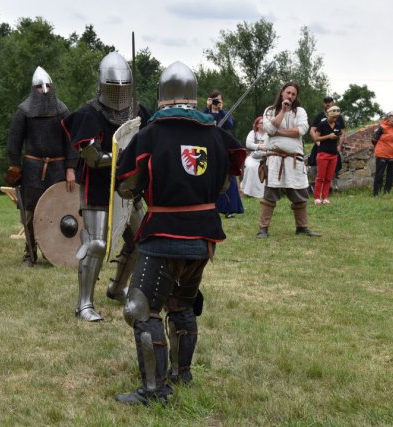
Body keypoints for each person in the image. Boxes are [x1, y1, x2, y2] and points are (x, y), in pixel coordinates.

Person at [114, 61, 246, 405]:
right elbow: (223, 185)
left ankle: (154, 390)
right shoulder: (217, 136)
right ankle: (180, 372)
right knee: (181, 303)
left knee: (140, 309)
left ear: (161, 97)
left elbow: (127, 185)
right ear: (193, 96)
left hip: (165, 235)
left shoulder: (149, 135)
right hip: (204, 237)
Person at [62, 52, 151, 322]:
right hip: (98, 186)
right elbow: (92, 156)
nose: (120, 93)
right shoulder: (90, 114)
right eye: (114, 87)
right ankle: (84, 304)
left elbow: (147, 141)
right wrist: (121, 156)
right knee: (97, 243)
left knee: (141, 238)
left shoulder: (138, 111)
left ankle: (118, 287)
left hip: (128, 186)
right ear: (102, 85)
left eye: (124, 87)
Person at [5, 66, 76, 267]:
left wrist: (70, 168)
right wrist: (14, 167)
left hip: (58, 168)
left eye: (46, 86)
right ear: (33, 88)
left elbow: (71, 141)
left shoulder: (62, 111)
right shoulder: (24, 111)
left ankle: (55, 251)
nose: (43, 90)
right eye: (39, 87)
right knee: (30, 212)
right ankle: (30, 253)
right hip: (32, 169)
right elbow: (14, 141)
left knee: (59, 212)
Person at [257, 82, 320, 239]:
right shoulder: (270, 111)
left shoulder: (300, 111)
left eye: (293, 94)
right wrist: (283, 111)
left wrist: (278, 132)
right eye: (288, 93)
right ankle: (263, 228)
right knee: (270, 194)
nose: (290, 96)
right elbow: (269, 130)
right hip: (275, 160)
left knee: (299, 193)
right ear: (282, 93)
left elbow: (301, 130)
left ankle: (302, 227)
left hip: (293, 160)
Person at [205, 90, 243, 218]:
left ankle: (230, 208)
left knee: (228, 177)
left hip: (223, 148)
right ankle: (210, 206)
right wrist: (207, 108)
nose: (216, 103)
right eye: (214, 100)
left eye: (218, 100)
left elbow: (230, 125)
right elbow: (201, 124)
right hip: (209, 148)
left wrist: (220, 111)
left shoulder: (225, 114)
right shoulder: (205, 114)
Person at [309, 96, 346, 192]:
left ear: (333, 103)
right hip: (320, 147)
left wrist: (339, 145)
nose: (328, 103)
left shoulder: (339, 117)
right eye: (326, 102)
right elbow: (312, 130)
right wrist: (317, 141)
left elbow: (342, 132)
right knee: (315, 168)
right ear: (324, 104)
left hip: (333, 147)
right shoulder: (320, 116)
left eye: (329, 101)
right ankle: (317, 191)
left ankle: (333, 189)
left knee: (334, 169)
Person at [313, 106, 343, 205]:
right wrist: (328, 136)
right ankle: (317, 197)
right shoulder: (322, 124)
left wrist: (338, 143)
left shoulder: (338, 124)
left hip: (334, 154)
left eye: (337, 117)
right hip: (323, 153)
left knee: (329, 177)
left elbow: (339, 136)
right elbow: (316, 138)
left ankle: (325, 197)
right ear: (328, 115)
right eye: (333, 117)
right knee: (320, 177)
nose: (335, 119)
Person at [372, 110, 393, 196]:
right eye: (392, 116)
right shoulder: (382, 127)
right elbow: (374, 139)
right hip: (382, 153)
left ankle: (387, 193)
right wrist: (380, 148)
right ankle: (376, 194)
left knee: (391, 175)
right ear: (388, 117)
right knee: (379, 174)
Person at [240, 116, 267, 198]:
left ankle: (261, 193)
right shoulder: (252, 133)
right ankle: (247, 191)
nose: (264, 124)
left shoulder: (268, 134)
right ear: (257, 125)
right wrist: (260, 146)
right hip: (253, 157)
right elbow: (248, 144)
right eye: (262, 123)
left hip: (265, 157)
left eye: (265, 123)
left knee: (266, 169)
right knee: (250, 167)